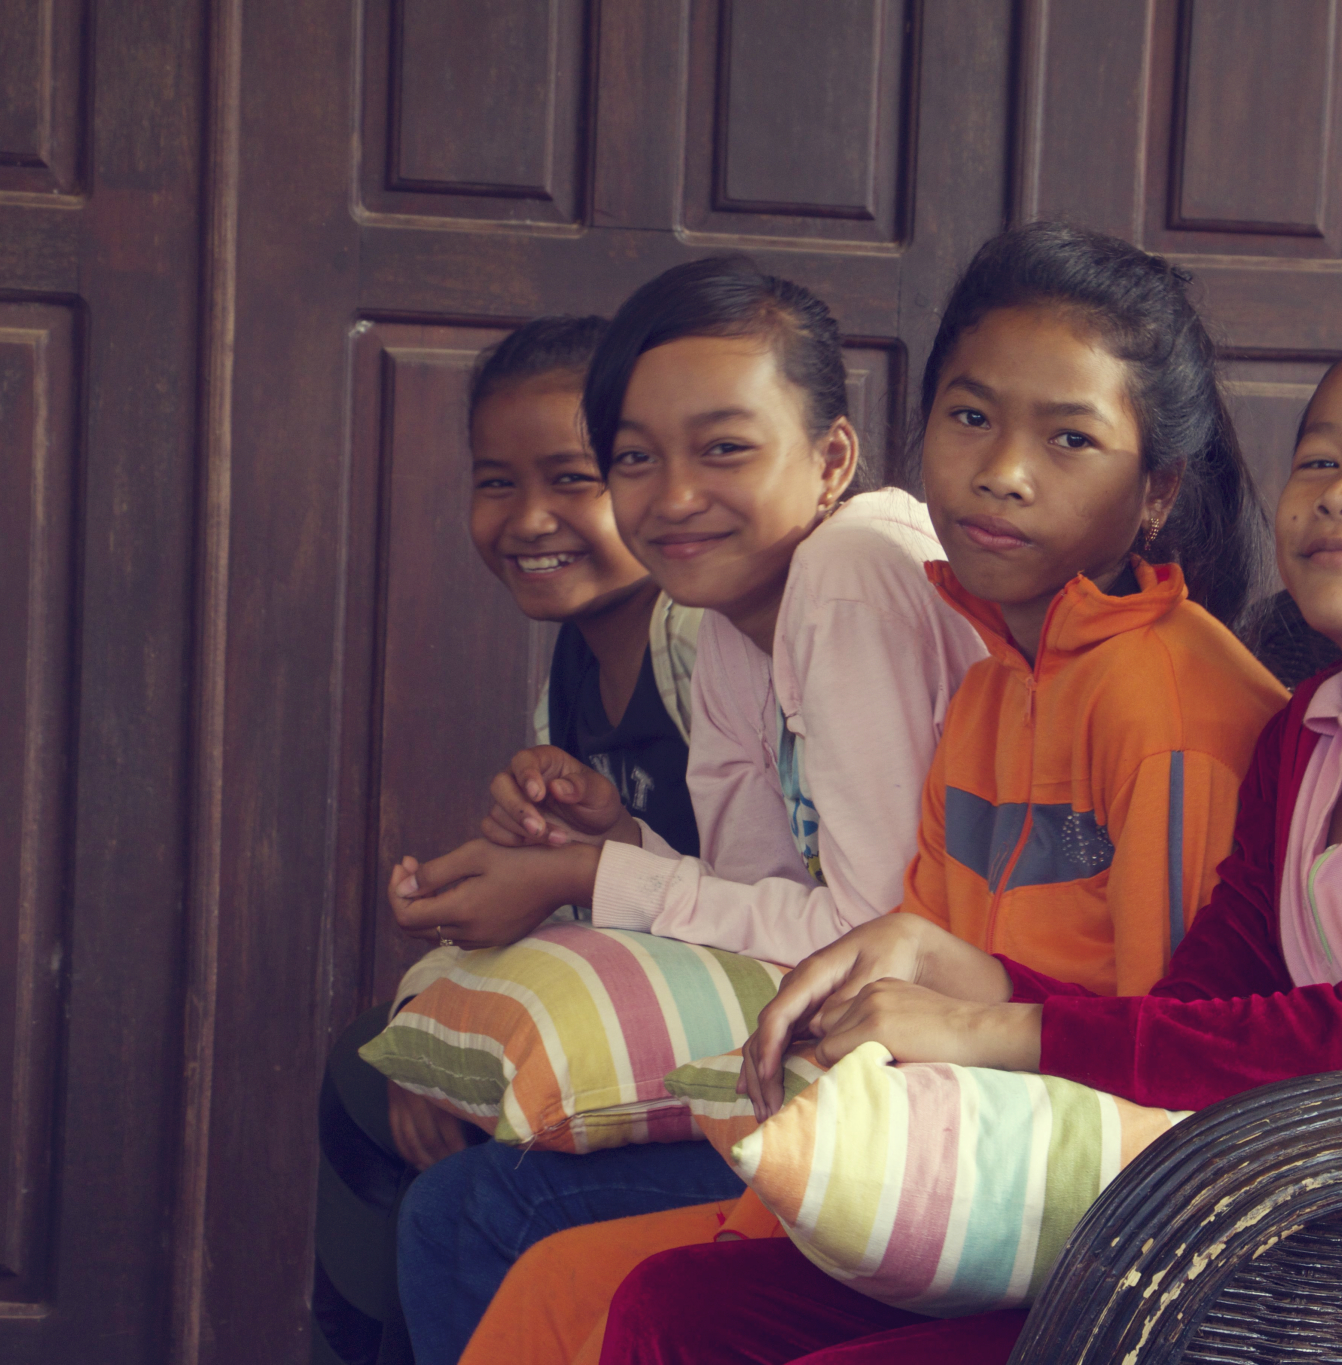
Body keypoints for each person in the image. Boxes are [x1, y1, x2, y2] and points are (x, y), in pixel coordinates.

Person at [600, 317, 1342, 1364]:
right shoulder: (1312, 727)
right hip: (1293, 1220)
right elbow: (1200, 1015)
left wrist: (992, 1027)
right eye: (1321, 461)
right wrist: (967, 972)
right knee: (677, 1308)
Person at [458, 223, 1292, 1365]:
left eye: (1067, 438)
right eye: (969, 418)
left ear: (1153, 495)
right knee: (605, 1293)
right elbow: (909, 935)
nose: (1001, 470)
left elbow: (1184, 1052)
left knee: (629, 1292)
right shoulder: (997, 679)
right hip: (964, 1157)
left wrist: (953, 1025)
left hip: (1108, 1217)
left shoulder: (1166, 708)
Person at [386, 259, 991, 1363]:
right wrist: (609, 839)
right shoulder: (722, 624)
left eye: (723, 448)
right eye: (633, 457)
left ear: (831, 460)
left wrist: (587, 877)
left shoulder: (848, 571)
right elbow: (756, 903)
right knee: (445, 1187)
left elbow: (869, 941)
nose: (669, 497)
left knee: (480, 1209)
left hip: (954, 1084)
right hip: (843, 1059)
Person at [310, 316, 705, 1365]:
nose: (529, 519)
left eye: (574, 478)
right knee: (370, 1074)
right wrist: (429, 1024)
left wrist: (587, 861)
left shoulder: (702, 643)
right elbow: (570, 906)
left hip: (740, 1068)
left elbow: (766, 893)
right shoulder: (572, 676)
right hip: (648, 1041)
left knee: (457, 1193)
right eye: (495, 482)